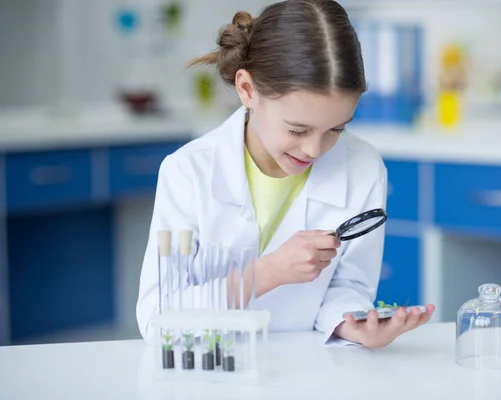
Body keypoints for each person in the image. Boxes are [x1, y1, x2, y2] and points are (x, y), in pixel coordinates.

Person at [136, 0, 435, 348]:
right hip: (211, 372)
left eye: (336, 128)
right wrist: (270, 271)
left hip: (309, 371)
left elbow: (348, 287)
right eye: (296, 130)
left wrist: (350, 324)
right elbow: (159, 319)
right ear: (247, 90)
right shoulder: (188, 172)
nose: (314, 150)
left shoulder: (363, 168)